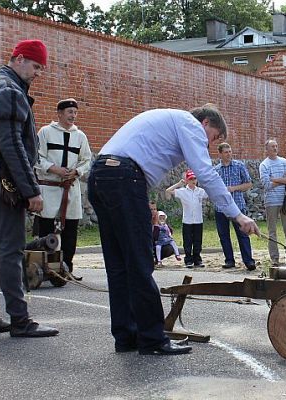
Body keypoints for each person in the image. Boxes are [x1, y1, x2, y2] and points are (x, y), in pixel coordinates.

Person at [88, 103, 259, 356]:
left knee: (119, 265)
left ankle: (126, 336)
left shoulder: (169, 119)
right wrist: (237, 215)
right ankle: (152, 340)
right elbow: (206, 174)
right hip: (125, 177)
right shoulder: (190, 125)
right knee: (140, 261)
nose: (209, 145)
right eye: (213, 138)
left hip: (100, 175)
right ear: (205, 124)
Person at [0, 40, 58, 337]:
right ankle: (20, 319)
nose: (38, 72)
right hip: (2, 181)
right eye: (35, 65)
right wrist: (30, 190)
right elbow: (12, 144)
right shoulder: (9, 90)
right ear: (18, 59)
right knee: (11, 249)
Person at [34, 98, 92, 276]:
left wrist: (76, 172)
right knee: (46, 228)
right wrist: (54, 169)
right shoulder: (45, 132)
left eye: (75, 112)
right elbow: (37, 156)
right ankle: (44, 268)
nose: (73, 116)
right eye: (69, 112)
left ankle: (66, 268)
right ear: (59, 113)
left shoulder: (80, 136)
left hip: (70, 189)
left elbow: (87, 160)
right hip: (50, 188)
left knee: (70, 230)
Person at [214, 142, 256, 270]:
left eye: (230, 151)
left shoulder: (239, 166)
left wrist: (233, 188)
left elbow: (248, 184)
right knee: (224, 235)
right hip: (220, 208)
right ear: (220, 154)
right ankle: (229, 260)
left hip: (237, 206)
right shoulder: (216, 170)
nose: (229, 154)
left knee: (243, 233)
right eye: (226, 152)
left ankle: (248, 261)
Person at [166, 170, 208, 268]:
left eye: (195, 178)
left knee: (198, 241)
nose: (193, 181)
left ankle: (197, 259)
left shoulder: (200, 191)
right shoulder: (182, 191)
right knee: (187, 241)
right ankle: (188, 260)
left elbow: (210, 193)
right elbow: (168, 191)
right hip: (187, 221)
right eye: (191, 179)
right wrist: (178, 184)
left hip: (198, 220)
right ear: (187, 180)